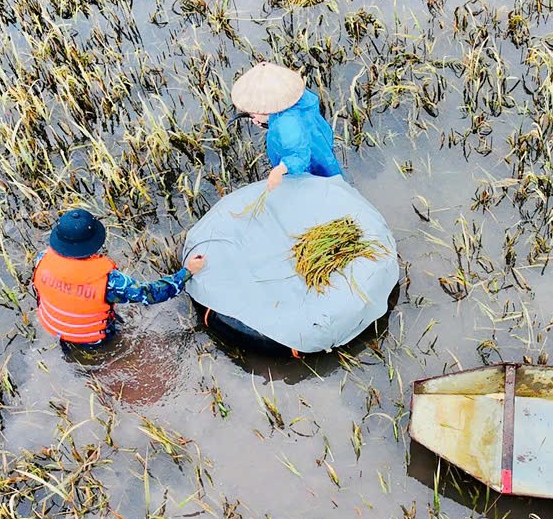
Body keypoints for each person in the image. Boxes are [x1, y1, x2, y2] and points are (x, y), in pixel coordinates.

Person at [32, 209, 205, 351]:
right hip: (93, 340)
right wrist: (188, 271)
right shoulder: (110, 282)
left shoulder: (41, 259)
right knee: (113, 349)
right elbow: (152, 294)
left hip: (56, 329)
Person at [230, 62, 341, 191]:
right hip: (317, 141)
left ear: (266, 107)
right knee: (329, 176)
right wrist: (267, 119)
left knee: (315, 186)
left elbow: (300, 156)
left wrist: (280, 170)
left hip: (310, 163)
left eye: (253, 113)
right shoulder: (298, 99)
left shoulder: (286, 125)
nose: (252, 117)